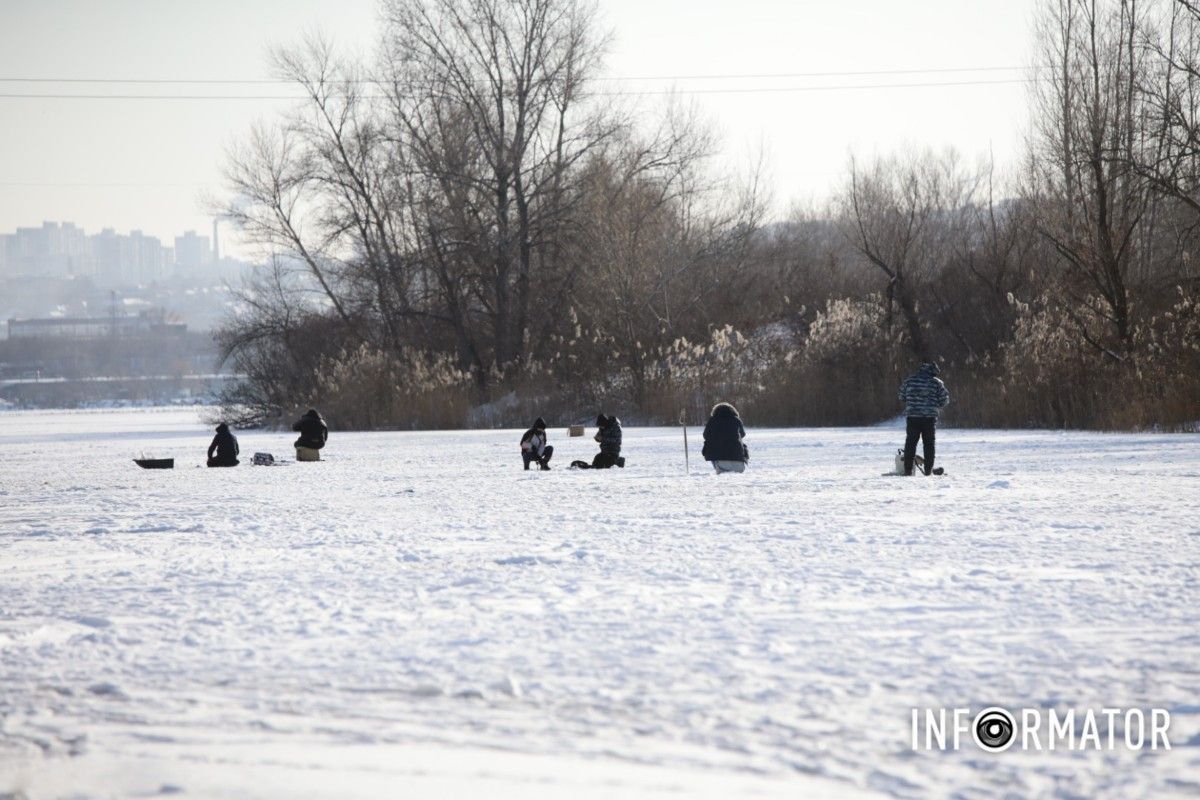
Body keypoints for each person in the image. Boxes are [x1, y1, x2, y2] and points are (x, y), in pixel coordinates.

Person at [898, 361, 950, 476]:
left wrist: (913, 403)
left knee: (911, 443)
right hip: (929, 418)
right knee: (929, 444)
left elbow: (901, 396)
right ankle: (928, 471)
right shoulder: (936, 383)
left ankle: (908, 471)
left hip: (913, 417)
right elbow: (945, 400)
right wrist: (934, 405)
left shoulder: (910, 381)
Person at [702, 402, 748, 474]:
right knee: (742, 444)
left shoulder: (712, 420)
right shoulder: (736, 420)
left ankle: (718, 466)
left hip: (718, 458)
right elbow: (742, 434)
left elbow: (706, 435)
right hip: (738, 459)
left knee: (708, 443)